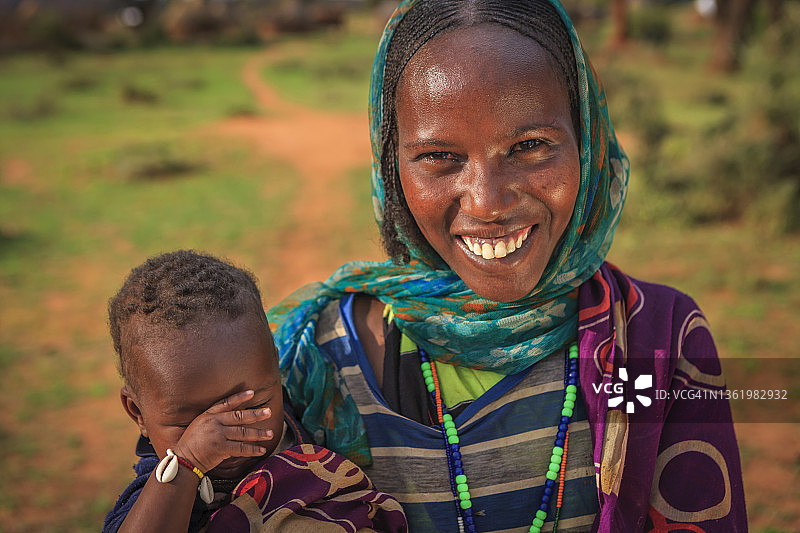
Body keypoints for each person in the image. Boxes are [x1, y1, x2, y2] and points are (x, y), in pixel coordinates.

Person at [268, 1, 748, 532]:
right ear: (391, 165)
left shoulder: (654, 343)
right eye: (439, 157)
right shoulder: (318, 362)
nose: (487, 202)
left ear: (586, 143)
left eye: (530, 146)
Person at [104, 250, 407, 532]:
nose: (221, 435)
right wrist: (185, 464)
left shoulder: (309, 414)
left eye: (251, 407)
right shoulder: (157, 497)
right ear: (137, 413)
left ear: (277, 369)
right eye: (188, 425)